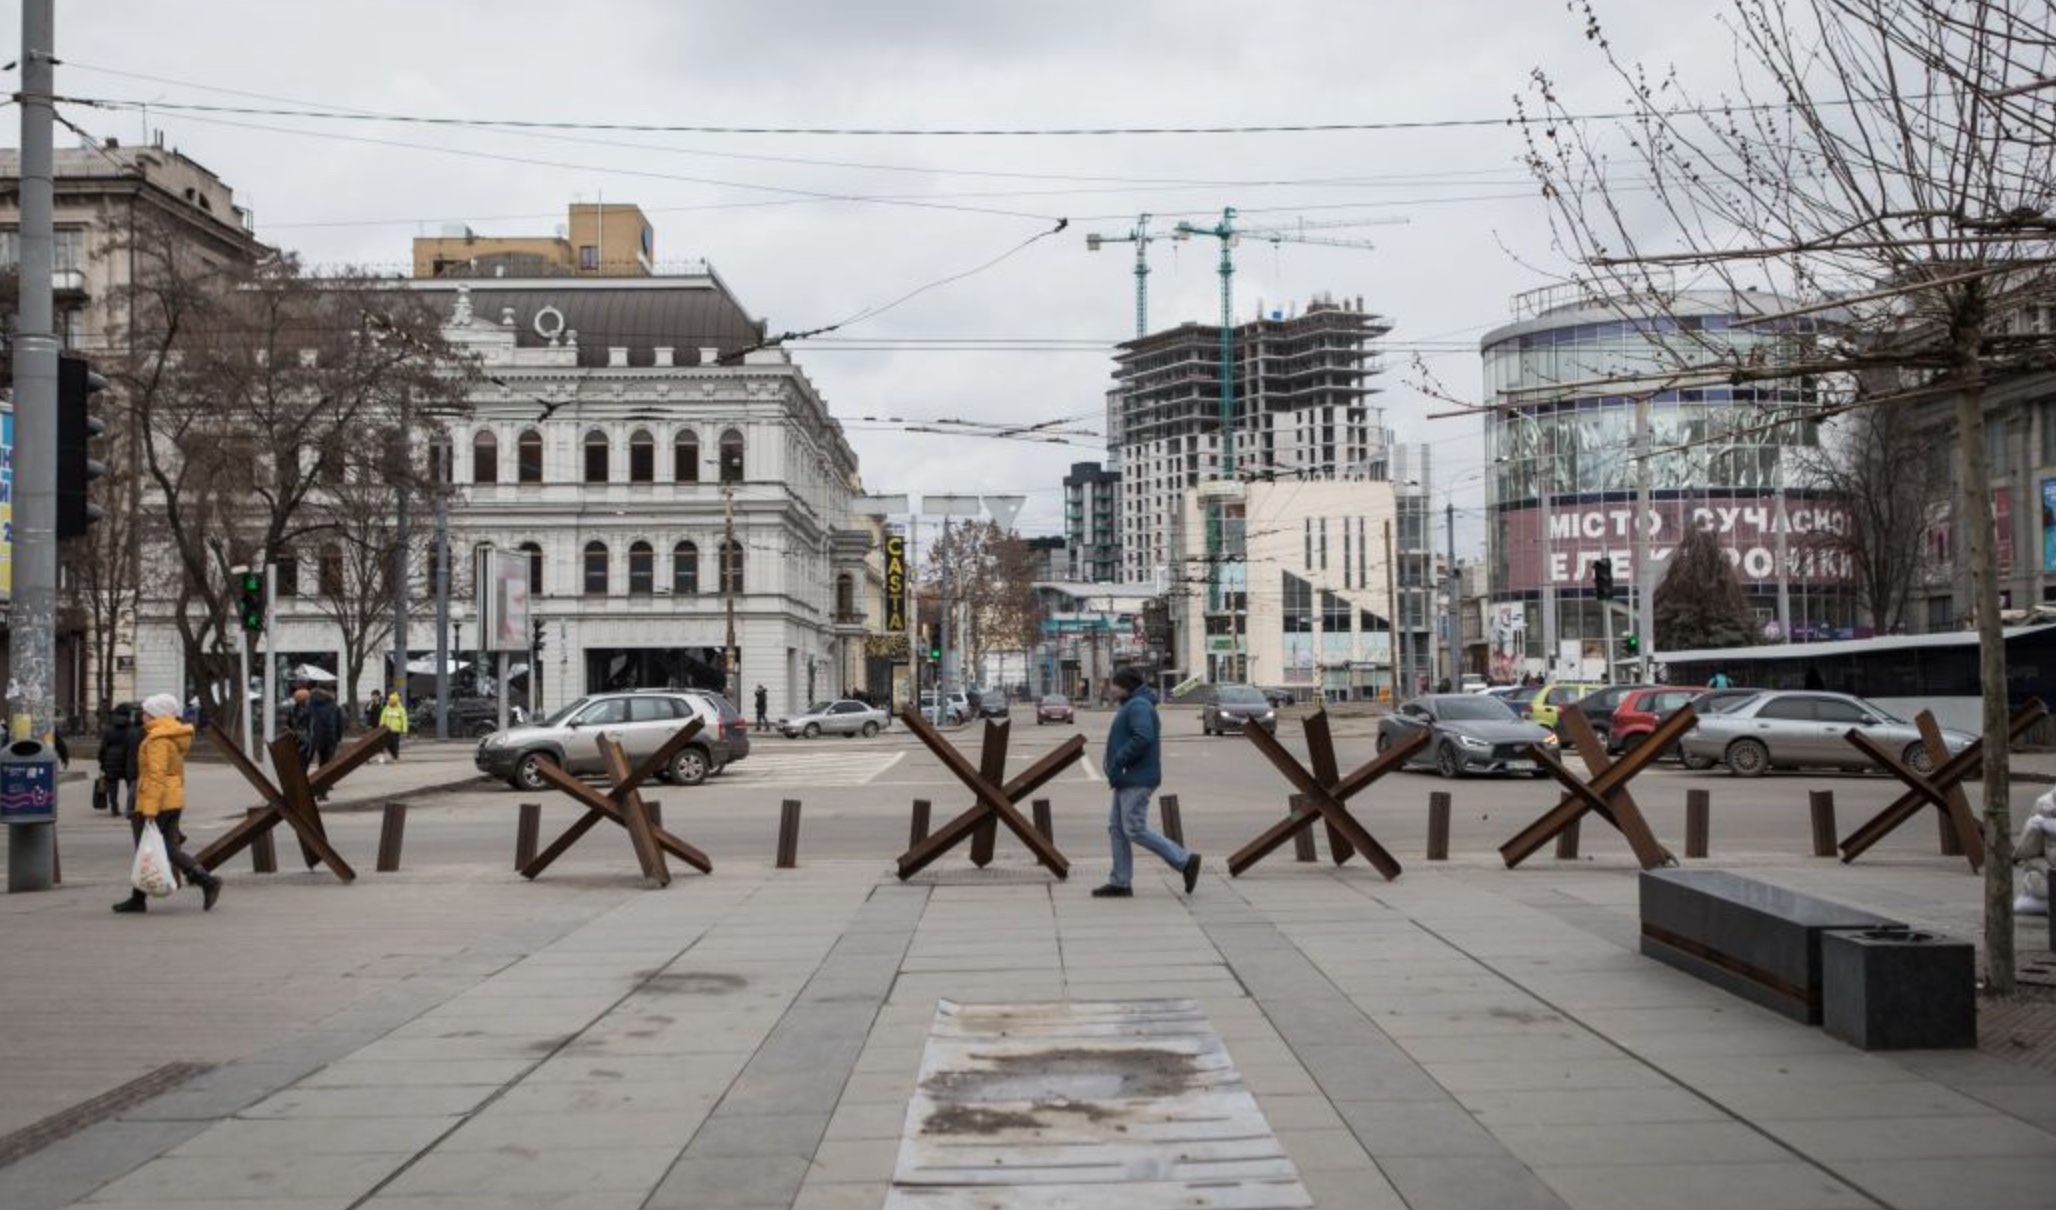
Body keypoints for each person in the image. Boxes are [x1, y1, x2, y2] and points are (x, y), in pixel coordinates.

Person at [1094, 667, 1201, 899]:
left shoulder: (1138, 706)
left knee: (1133, 828)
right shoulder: (1133, 704)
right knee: (1117, 829)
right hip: (1127, 777)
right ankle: (1120, 882)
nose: (1111, 689)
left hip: (1136, 777)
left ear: (1125, 686)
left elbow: (1143, 736)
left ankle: (1184, 860)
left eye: (1114, 684)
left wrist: (1120, 759)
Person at [113, 694, 221, 913]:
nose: (142, 716)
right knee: (168, 848)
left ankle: (205, 882)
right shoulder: (172, 735)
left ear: (155, 715)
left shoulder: (157, 739)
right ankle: (204, 881)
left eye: (146, 712)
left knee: (147, 848)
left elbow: (156, 775)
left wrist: (149, 810)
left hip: (157, 802)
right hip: (172, 800)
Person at [97, 702, 141, 818]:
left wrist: (102, 762)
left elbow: (103, 748)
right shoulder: (132, 730)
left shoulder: (109, 729)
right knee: (130, 783)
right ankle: (131, 807)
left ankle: (114, 808)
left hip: (111, 760)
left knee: (112, 785)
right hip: (127, 760)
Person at [306, 687, 344, 798]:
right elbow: (339, 723)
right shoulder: (333, 705)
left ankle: (320, 786)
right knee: (328, 762)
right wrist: (338, 736)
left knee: (320, 760)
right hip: (331, 737)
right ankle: (325, 787)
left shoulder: (310, 706)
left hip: (316, 737)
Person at [379, 692, 409, 761]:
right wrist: (381, 728)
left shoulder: (401, 709)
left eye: (392, 700)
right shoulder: (386, 708)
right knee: (386, 743)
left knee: (395, 744)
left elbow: (404, 720)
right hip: (386, 730)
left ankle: (395, 756)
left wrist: (404, 730)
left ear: (396, 701)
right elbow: (382, 718)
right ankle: (388, 755)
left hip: (396, 730)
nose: (390, 701)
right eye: (389, 700)